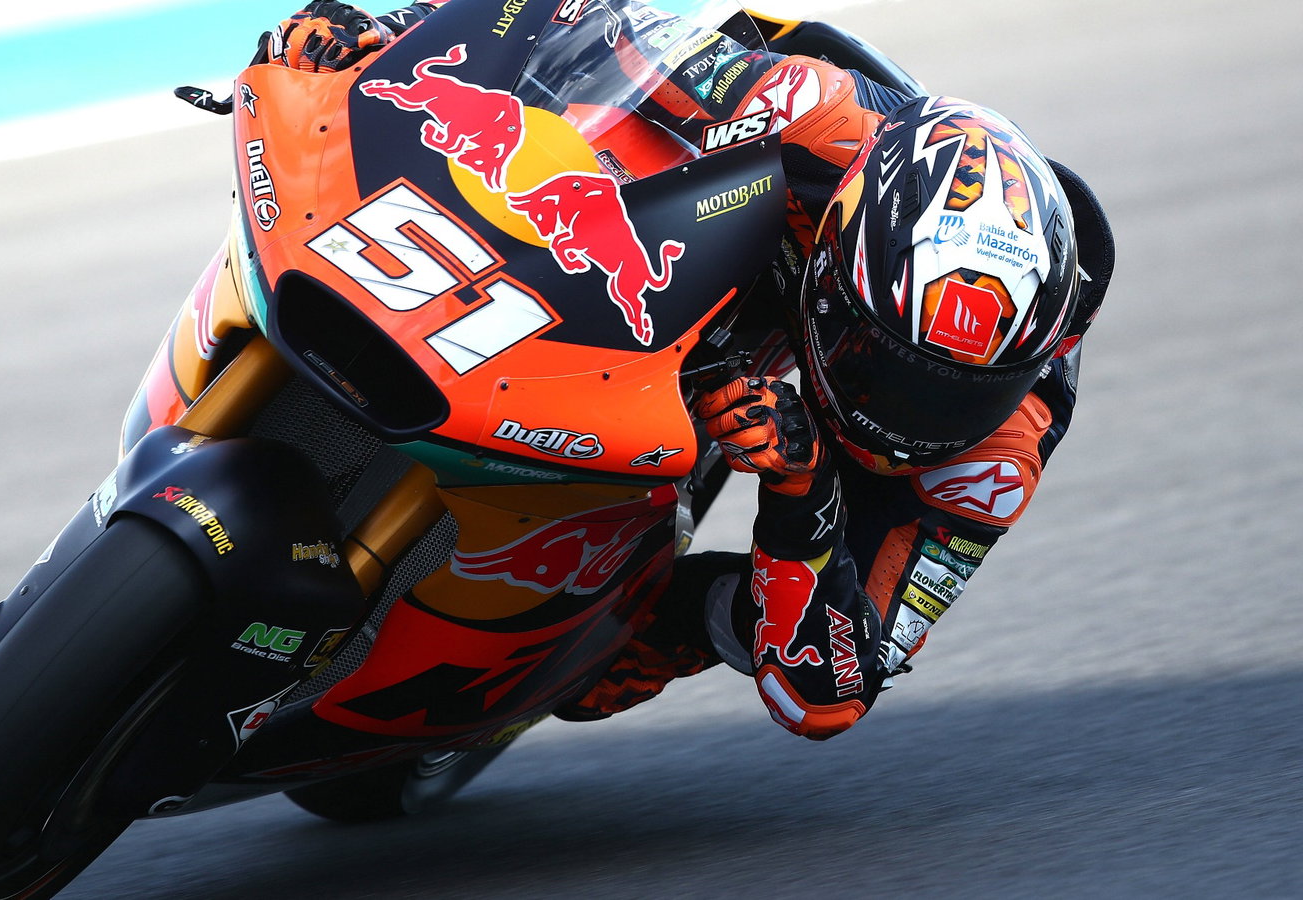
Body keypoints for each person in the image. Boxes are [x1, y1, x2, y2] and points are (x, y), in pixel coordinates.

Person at [258, 0, 1114, 739]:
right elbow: (580, 21)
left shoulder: (1000, 453)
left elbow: (827, 696)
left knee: (599, 680)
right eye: (887, 367)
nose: (906, 415)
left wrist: (805, 491)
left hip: (793, 428)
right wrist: (387, 39)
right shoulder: (813, 113)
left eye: (952, 395)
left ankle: (659, 620)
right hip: (722, 220)